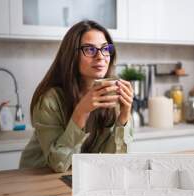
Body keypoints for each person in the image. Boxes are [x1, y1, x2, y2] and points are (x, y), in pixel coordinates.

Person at [19, 20, 134, 172]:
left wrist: (124, 116)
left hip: (76, 176)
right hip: (37, 176)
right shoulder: (50, 100)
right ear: (72, 55)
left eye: (105, 49)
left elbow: (112, 161)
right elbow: (58, 163)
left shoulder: (112, 97)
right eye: (90, 49)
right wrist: (81, 112)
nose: (101, 57)